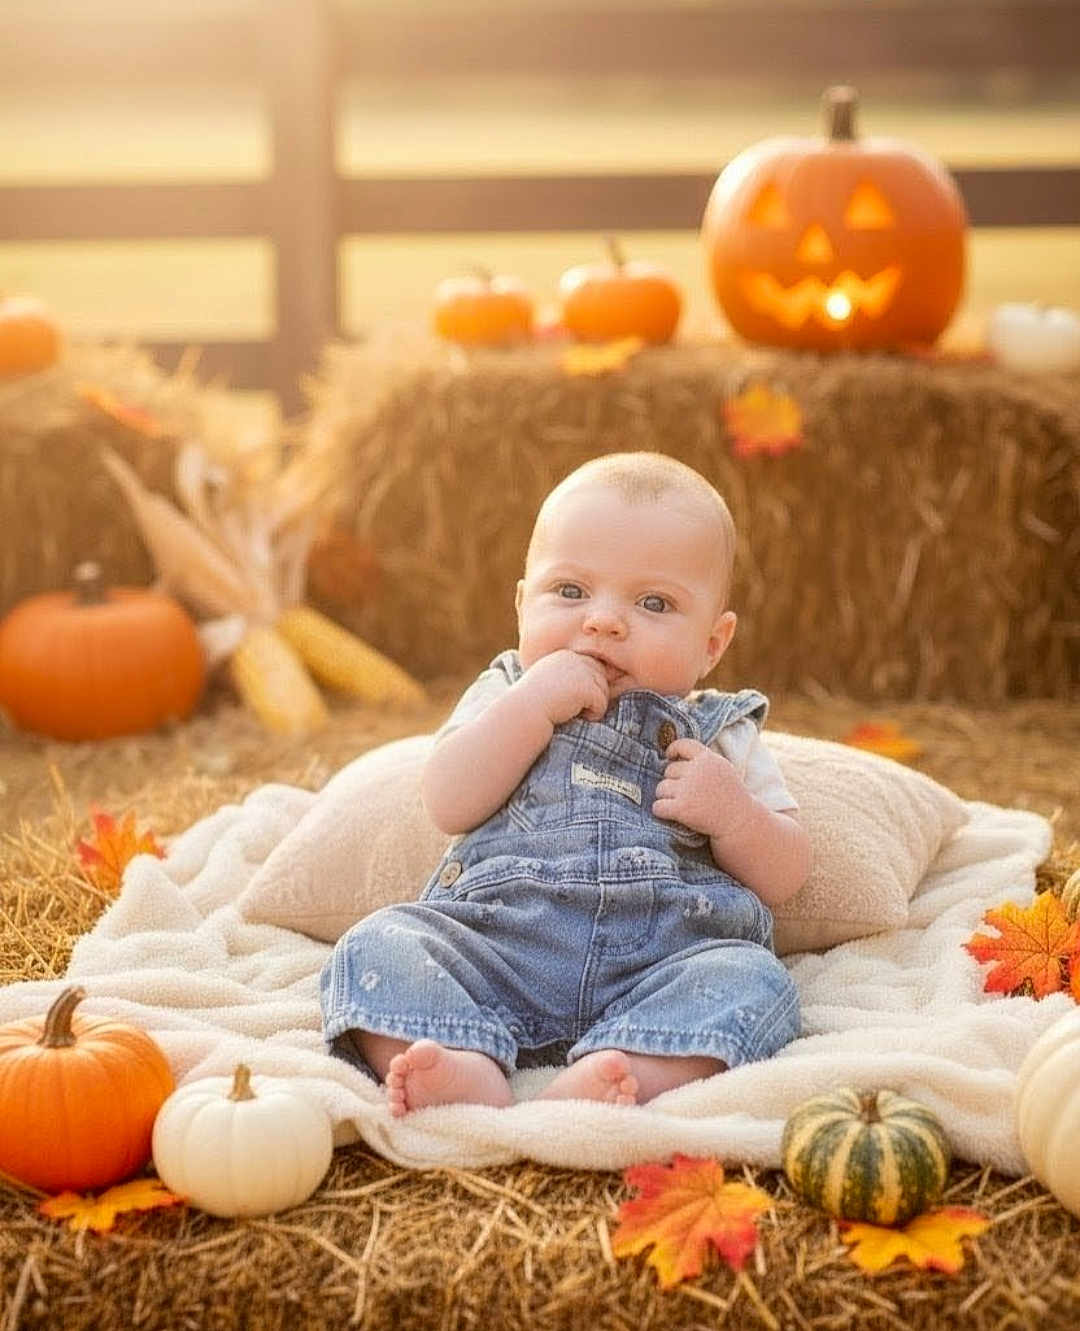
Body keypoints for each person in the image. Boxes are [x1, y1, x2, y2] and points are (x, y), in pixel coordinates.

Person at [320, 452, 811, 1116]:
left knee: (755, 981)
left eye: (654, 602)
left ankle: (631, 1063)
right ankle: (464, 1061)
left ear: (712, 644)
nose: (603, 621)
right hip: (496, 944)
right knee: (377, 944)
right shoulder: (508, 690)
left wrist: (733, 812)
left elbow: (786, 873)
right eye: (571, 592)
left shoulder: (721, 731)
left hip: (659, 961)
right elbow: (448, 799)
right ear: (523, 605)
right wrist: (530, 708)